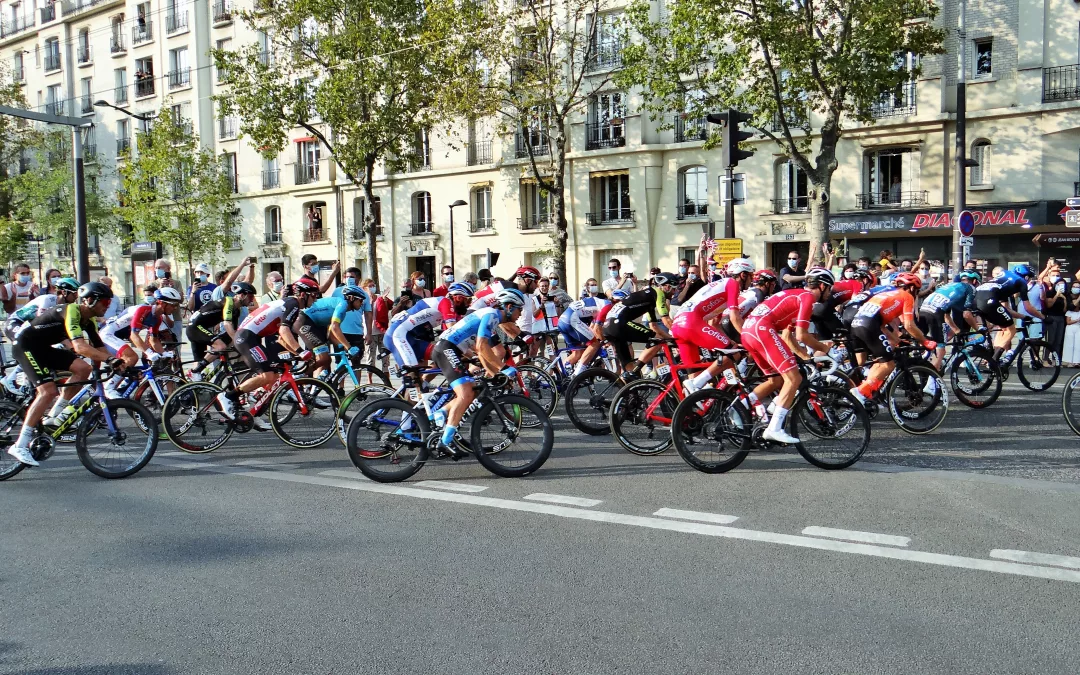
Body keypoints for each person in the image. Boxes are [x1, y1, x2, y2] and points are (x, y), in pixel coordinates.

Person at [5, 282, 114, 466]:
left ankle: (53, 416)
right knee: (48, 391)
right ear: (89, 300)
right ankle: (20, 445)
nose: (107, 306)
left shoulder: (89, 320)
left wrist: (120, 363)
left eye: (109, 302)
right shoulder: (72, 310)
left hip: (42, 348)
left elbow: (100, 348)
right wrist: (111, 361)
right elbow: (80, 347)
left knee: (83, 369)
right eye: (104, 301)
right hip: (26, 346)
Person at [740, 268, 835, 444]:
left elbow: (788, 336)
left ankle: (740, 408)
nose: (830, 294)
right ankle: (774, 428)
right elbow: (802, 335)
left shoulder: (796, 295)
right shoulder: (807, 298)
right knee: (793, 379)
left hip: (749, 331)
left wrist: (806, 357)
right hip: (762, 330)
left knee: (775, 380)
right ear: (822, 286)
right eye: (829, 289)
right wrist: (825, 348)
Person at [427, 288, 524, 456]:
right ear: (509, 307)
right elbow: (481, 347)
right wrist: (504, 369)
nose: (520, 314)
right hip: (446, 348)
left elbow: (482, 352)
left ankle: (440, 414)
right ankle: (445, 442)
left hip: (451, 349)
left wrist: (495, 374)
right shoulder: (492, 314)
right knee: (465, 393)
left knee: (470, 390)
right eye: (519, 309)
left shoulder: (491, 316)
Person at [218, 279, 320, 420]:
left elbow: (280, 338)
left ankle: (254, 412)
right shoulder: (294, 304)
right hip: (247, 337)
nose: (316, 299)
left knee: (276, 373)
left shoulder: (290, 303)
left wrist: (296, 354)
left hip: (250, 337)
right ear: (303, 294)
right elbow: (284, 331)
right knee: (266, 375)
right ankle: (228, 396)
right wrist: (301, 351)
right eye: (314, 295)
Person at [848, 273, 937, 404]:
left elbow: (882, 326)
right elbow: (909, 325)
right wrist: (924, 341)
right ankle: (860, 393)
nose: (916, 294)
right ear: (912, 288)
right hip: (868, 326)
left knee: (879, 362)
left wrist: (896, 340)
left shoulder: (886, 295)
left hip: (856, 325)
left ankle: (866, 393)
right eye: (917, 291)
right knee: (889, 364)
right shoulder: (907, 296)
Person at [672, 258, 755, 393]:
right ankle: (697, 383)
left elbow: (715, 323)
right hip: (690, 321)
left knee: (694, 379)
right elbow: (735, 316)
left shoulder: (721, 285)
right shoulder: (732, 284)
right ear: (743, 274)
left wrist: (730, 341)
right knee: (733, 354)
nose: (751, 281)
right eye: (751, 276)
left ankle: (689, 410)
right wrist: (749, 337)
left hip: (679, 324)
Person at [99, 286, 182, 397]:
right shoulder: (143, 310)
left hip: (120, 335)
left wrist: (164, 353)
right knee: (132, 358)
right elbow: (134, 336)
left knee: (130, 368)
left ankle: (120, 390)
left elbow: (154, 340)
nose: (175, 308)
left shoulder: (158, 318)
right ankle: (109, 388)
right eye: (174, 305)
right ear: (162, 303)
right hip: (108, 333)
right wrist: (150, 353)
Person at [602, 272, 678, 377]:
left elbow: (654, 327)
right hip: (618, 324)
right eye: (674, 289)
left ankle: (628, 386)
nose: (674, 293)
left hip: (609, 326)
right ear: (667, 286)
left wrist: (671, 338)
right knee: (658, 341)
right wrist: (680, 337)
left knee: (628, 369)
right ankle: (636, 370)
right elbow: (666, 320)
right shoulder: (658, 293)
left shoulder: (649, 297)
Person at [385, 283, 473, 372]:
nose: (468, 305)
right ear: (458, 298)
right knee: (412, 375)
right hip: (397, 335)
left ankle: (425, 383)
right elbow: (454, 333)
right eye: (468, 301)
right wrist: (473, 355)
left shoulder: (448, 306)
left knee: (441, 357)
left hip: (410, 336)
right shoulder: (446, 303)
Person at [294, 283, 371, 377]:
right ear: (351, 298)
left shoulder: (343, 311)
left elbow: (330, 333)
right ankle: (299, 376)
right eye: (360, 300)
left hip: (313, 324)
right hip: (304, 321)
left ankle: (313, 385)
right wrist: (349, 348)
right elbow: (335, 327)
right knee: (324, 358)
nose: (362, 303)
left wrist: (341, 347)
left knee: (325, 361)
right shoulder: (342, 304)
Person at [185, 282, 258, 379]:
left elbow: (234, 332)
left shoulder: (237, 310)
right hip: (194, 328)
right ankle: (195, 372)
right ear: (242, 295)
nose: (252, 299)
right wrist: (240, 345)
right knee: (221, 346)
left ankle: (198, 385)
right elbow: (227, 324)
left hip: (201, 327)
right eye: (250, 296)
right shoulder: (229, 302)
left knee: (226, 341)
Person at [975, 264, 1043, 366]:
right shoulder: (1021, 282)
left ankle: (993, 359)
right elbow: (1028, 308)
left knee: (1004, 328)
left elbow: (1006, 309)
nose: (1029, 281)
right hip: (989, 300)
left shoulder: (1004, 279)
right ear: (1026, 276)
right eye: (1030, 277)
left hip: (977, 300)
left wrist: (1023, 317)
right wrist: (1043, 317)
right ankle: (994, 360)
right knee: (1012, 329)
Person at [919, 271, 981, 370]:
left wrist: (956, 330)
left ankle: (924, 358)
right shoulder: (970, 288)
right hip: (935, 314)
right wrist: (978, 329)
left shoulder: (950, 286)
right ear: (974, 281)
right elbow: (967, 314)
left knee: (929, 342)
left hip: (923, 310)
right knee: (941, 349)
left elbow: (947, 316)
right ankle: (932, 381)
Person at [558, 293, 610, 375]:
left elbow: (592, 328)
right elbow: (597, 328)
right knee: (595, 343)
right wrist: (604, 341)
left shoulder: (599, 304)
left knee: (577, 353)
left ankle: (561, 377)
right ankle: (577, 375)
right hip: (571, 319)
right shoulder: (608, 306)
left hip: (563, 320)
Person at [330, 267, 373, 349]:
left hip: (356, 332)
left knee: (356, 358)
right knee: (340, 360)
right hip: (339, 332)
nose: (348, 279)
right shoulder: (337, 291)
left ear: (358, 278)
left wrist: (369, 334)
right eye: (346, 277)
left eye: (351, 277)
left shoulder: (363, 294)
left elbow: (368, 314)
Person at [364, 279, 391, 373]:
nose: (373, 288)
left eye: (373, 285)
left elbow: (387, 311)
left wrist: (385, 300)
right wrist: (370, 301)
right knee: (370, 358)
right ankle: (369, 381)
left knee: (385, 358)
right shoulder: (363, 299)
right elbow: (368, 313)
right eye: (370, 286)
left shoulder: (380, 297)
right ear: (365, 288)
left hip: (382, 332)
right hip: (370, 332)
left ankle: (387, 380)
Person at [1064, 282, 1080, 367]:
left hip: (1078, 328)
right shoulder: (1069, 310)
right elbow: (1068, 321)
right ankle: (1069, 361)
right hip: (1070, 328)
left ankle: (1077, 361)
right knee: (1069, 344)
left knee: (1078, 344)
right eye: (1074, 286)